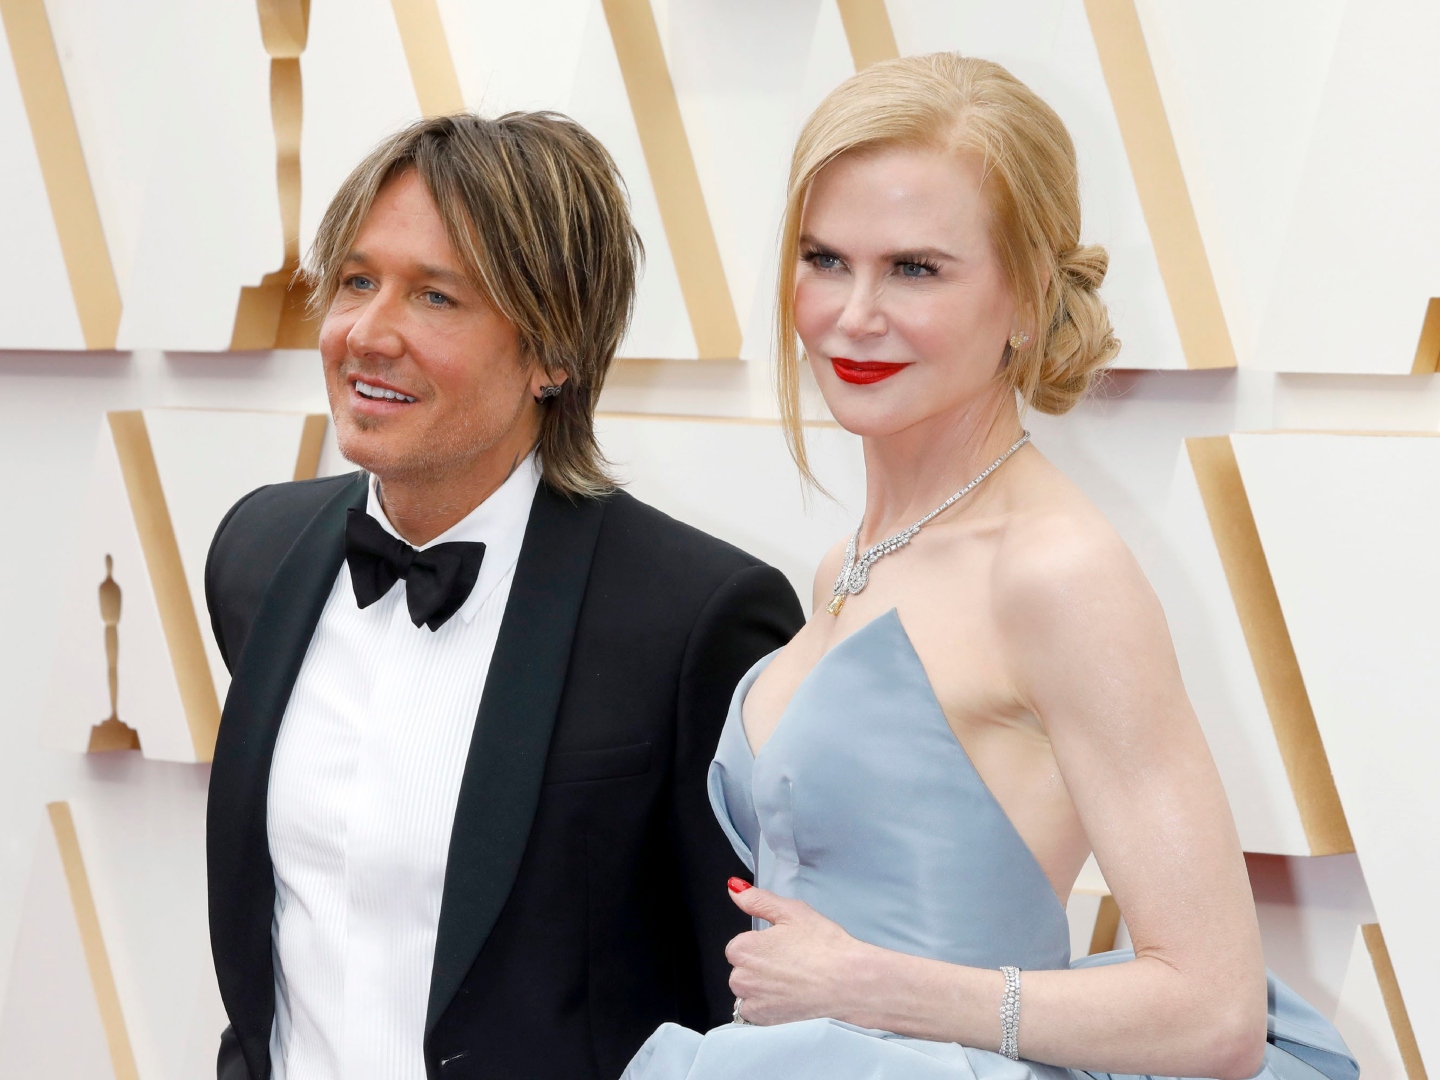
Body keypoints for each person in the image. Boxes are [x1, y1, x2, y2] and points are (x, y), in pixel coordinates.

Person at [623, 54, 1355, 1080]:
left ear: (1027, 296)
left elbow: (1213, 1013)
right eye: (825, 258)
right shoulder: (852, 558)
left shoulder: (1055, 572)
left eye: (915, 268)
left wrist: (864, 985)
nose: (852, 314)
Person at [204, 112, 804, 1080]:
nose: (366, 332)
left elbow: (747, 1012)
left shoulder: (698, 620)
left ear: (551, 355)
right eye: (356, 281)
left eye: (435, 297)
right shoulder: (257, 555)